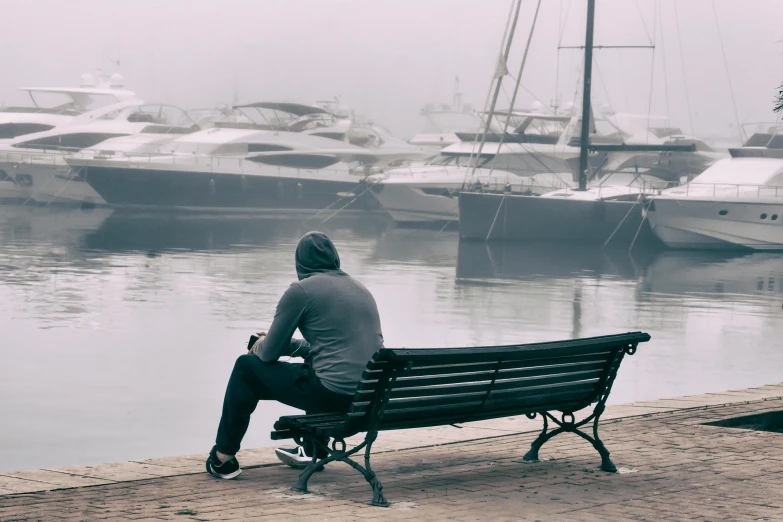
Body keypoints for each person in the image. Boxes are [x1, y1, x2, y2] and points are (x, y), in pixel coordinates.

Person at [206, 231, 385, 479]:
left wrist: (259, 344)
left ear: (299, 263)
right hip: (368, 398)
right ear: (335, 258)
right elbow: (333, 348)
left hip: (333, 396)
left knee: (245, 368)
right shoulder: (361, 290)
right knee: (319, 366)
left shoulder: (302, 291)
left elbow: (267, 355)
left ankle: (222, 457)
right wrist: (290, 346)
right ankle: (312, 448)